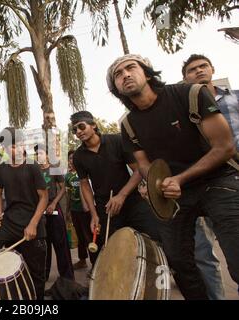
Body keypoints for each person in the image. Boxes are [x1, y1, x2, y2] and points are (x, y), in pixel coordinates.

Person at [107, 53, 239, 299]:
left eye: (130, 68)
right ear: (115, 88)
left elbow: (224, 146)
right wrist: (158, 184)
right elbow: (144, 165)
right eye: (117, 74)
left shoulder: (190, 94)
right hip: (175, 194)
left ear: (146, 73)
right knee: (179, 263)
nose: (124, 74)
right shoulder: (127, 125)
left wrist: (181, 178)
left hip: (219, 180)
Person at [70, 110, 159, 265]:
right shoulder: (78, 156)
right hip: (106, 207)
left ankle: (162, 273)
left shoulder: (117, 140)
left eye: (81, 127)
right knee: (110, 248)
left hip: (132, 200)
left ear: (93, 125)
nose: (78, 132)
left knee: (154, 238)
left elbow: (139, 170)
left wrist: (122, 195)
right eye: (74, 129)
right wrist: (94, 214)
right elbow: (85, 185)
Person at [0, 127, 48, 300]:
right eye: (10, 146)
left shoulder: (33, 166)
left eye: (17, 144)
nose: (15, 149)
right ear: (4, 148)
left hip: (32, 223)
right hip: (10, 222)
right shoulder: (1, 169)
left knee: (36, 274)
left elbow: (44, 197)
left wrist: (33, 224)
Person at [181, 53, 232, 300]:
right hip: (200, 185)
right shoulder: (183, 109)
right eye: (192, 70)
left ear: (212, 69)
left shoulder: (234, 98)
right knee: (203, 254)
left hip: (234, 180)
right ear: (185, 78)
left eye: (203, 66)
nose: (199, 71)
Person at [35, 143, 74, 281]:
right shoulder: (35, 171)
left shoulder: (54, 169)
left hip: (54, 209)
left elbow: (63, 188)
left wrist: (53, 203)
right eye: (36, 154)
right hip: (40, 211)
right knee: (44, 246)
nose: (38, 156)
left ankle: (67, 277)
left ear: (46, 155)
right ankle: (43, 277)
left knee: (61, 244)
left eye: (40, 153)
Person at [65, 150, 91, 270]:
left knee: (89, 236)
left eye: (73, 158)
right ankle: (82, 260)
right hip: (75, 210)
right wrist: (68, 211)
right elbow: (68, 195)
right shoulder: (68, 176)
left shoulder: (86, 173)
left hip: (87, 210)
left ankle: (95, 263)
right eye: (70, 158)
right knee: (80, 236)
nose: (72, 160)